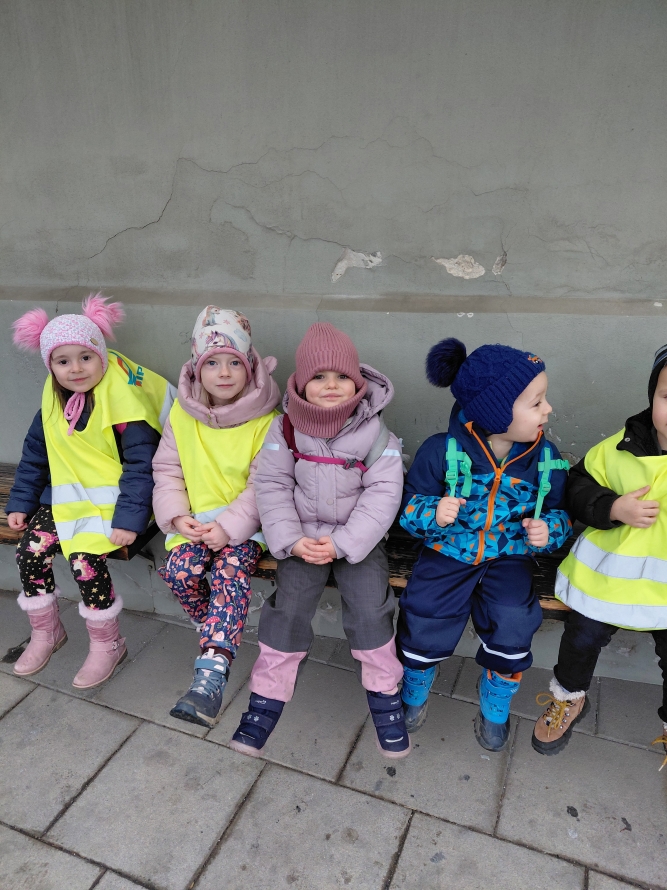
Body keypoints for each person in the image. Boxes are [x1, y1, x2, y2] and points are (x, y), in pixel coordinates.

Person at [229, 322, 408, 759]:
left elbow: (384, 494)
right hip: (301, 540)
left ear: (358, 382)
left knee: (370, 609)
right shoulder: (285, 430)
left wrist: (345, 543)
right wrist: (290, 540)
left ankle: (385, 698)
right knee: (287, 610)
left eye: (342, 376)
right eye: (319, 377)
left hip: (358, 541)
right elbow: (271, 485)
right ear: (300, 384)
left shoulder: (375, 433)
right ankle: (265, 701)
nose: (331, 385)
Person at [397, 338, 571, 751]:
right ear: (496, 412)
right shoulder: (440, 451)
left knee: (514, 617)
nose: (548, 409)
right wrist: (433, 512)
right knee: (424, 609)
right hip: (448, 550)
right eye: (536, 402)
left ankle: (497, 696)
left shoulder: (545, 458)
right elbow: (408, 509)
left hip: (509, 554)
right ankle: (416, 682)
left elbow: (561, 513)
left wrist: (549, 530)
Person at [6, 294, 174, 688]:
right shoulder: (51, 405)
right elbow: (35, 459)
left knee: (84, 559)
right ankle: (47, 632)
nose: (76, 368)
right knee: (29, 552)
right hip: (65, 499)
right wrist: (21, 502)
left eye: (85, 357)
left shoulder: (123, 406)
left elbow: (141, 466)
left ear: (101, 356)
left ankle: (107, 644)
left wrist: (130, 520)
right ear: (50, 366)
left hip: (117, 504)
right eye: (63, 361)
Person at [533, 345, 667, 768]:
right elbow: (576, 487)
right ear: (652, 396)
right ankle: (568, 697)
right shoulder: (619, 448)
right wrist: (612, 507)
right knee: (581, 637)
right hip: (609, 578)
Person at [153, 307, 281, 727]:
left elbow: (264, 484)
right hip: (194, 522)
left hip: (245, 528)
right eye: (212, 363)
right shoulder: (182, 414)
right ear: (196, 367)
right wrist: (176, 516)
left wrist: (228, 528)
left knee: (229, 573)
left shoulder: (267, 422)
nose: (223, 373)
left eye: (234, 363)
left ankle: (210, 676)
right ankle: (215, 623)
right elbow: (168, 469)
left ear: (250, 367)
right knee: (180, 572)